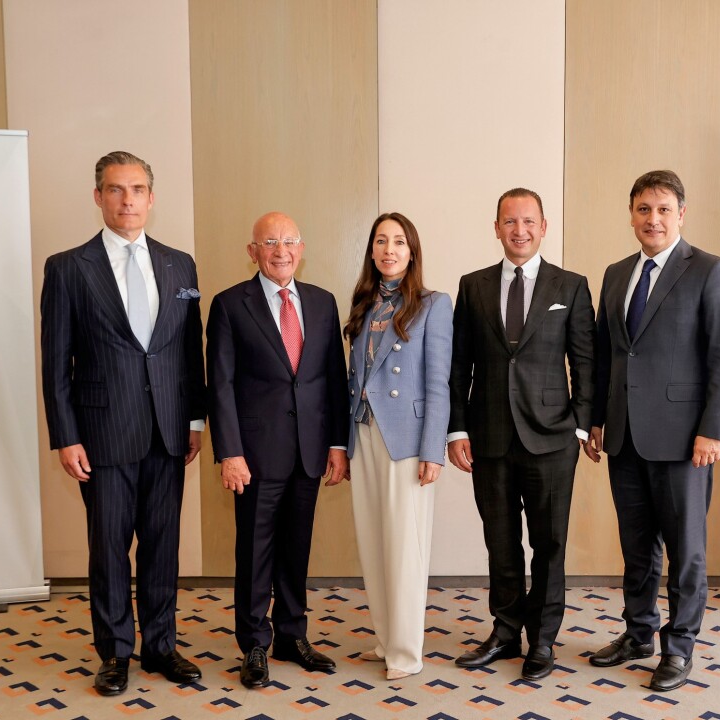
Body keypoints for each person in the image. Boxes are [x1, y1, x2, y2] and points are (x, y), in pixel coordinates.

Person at [40, 151, 206, 696]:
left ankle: (160, 645)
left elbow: (189, 350)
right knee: (109, 548)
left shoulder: (180, 265)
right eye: (115, 189)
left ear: (151, 198)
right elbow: (55, 362)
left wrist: (196, 419)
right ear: (98, 197)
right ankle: (114, 652)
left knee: (162, 545)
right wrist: (66, 435)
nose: (126, 199)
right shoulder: (68, 268)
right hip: (102, 434)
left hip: (168, 430)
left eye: (136, 189)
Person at [587, 170, 720, 692]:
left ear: (681, 214)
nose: (652, 219)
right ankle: (638, 634)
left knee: (686, 550)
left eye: (662, 209)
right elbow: (608, 355)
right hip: (624, 436)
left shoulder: (711, 271)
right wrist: (597, 420)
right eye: (643, 209)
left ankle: (679, 647)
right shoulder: (616, 274)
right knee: (636, 548)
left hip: (685, 441)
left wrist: (713, 430)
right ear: (631, 214)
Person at [447, 188, 596, 681]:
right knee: (501, 541)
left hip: (552, 439)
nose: (520, 230)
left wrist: (580, 426)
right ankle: (506, 630)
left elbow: (586, 363)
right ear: (496, 228)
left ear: (543, 227)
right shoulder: (472, 286)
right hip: (489, 437)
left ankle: (544, 639)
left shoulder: (570, 286)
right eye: (510, 221)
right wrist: (457, 428)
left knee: (550, 545)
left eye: (529, 221)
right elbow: (458, 366)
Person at [206, 211, 350, 689]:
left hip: (309, 451)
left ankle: (292, 635)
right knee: (254, 552)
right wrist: (230, 452)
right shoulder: (230, 305)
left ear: (301, 249)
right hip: (254, 455)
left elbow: (334, 380)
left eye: (289, 241)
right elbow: (220, 385)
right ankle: (253, 643)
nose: (280, 251)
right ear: (253, 252)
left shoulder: (323, 303)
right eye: (269, 242)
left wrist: (336, 444)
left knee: (296, 548)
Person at [343, 213, 452, 681]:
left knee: (405, 549)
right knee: (374, 543)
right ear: (371, 250)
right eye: (381, 241)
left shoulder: (433, 304)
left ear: (412, 251)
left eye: (399, 242)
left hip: (406, 438)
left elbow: (439, 382)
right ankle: (386, 639)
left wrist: (433, 450)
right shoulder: (364, 303)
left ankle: (406, 654)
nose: (390, 250)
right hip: (364, 432)